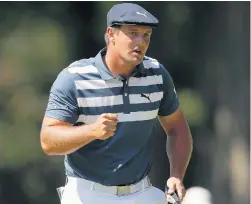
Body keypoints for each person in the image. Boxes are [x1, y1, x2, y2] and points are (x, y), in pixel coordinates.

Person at [40, 3, 193, 204]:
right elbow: (48, 141)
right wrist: (92, 131)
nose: (141, 41)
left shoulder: (157, 75)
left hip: (141, 192)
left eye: (146, 35)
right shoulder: (74, 78)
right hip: (88, 194)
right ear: (111, 34)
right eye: (133, 33)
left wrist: (176, 175)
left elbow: (177, 129)